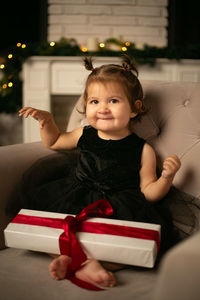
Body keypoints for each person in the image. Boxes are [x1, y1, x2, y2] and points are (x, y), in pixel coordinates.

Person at [19, 56, 181, 288]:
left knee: (127, 252)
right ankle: (75, 259)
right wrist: (47, 122)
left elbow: (148, 193)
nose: (102, 108)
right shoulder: (83, 134)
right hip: (76, 195)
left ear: (135, 109)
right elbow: (54, 141)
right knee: (50, 235)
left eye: (113, 100)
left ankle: (83, 262)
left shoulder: (143, 150)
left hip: (120, 206)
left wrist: (166, 177)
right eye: (94, 101)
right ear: (86, 105)